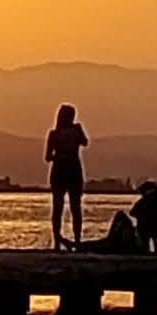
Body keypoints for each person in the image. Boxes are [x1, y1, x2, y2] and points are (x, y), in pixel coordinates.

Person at [45, 102, 89, 251]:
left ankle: (57, 239)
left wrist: (59, 154)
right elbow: (85, 142)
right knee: (75, 207)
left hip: (59, 170)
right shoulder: (74, 131)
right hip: (73, 170)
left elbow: (47, 157)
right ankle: (76, 240)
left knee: (58, 207)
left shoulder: (54, 134)